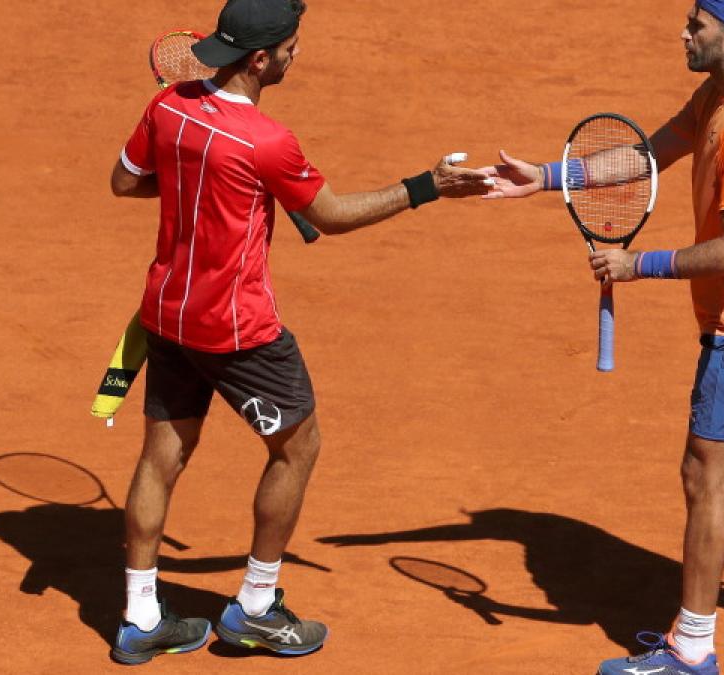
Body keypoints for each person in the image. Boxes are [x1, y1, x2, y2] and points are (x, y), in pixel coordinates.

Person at [105, 0, 492, 665]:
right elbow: (333, 216)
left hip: (165, 314)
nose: (294, 55)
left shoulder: (166, 108)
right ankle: (255, 607)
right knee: (298, 446)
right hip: (238, 329)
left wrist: (205, 190)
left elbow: (124, 182)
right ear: (259, 58)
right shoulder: (267, 142)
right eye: (290, 47)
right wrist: (428, 185)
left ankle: (141, 617)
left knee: (161, 455)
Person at [482, 1, 724, 673]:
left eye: (697, 25)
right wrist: (545, 177)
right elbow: (647, 154)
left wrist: (637, 264)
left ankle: (691, 646)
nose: (683, 32)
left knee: (704, 472)